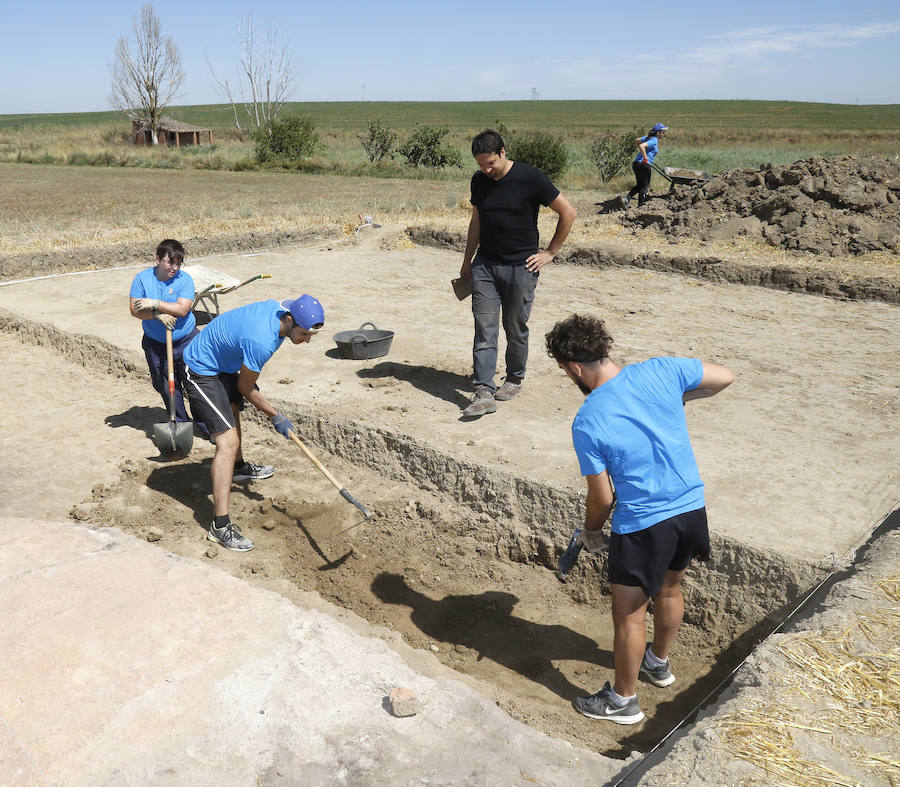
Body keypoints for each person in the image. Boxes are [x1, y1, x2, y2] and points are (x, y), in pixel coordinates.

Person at [545, 313, 734, 725]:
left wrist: (592, 531)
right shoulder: (662, 370)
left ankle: (622, 701)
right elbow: (725, 377)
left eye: (565, 372)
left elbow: (602, 496)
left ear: (574, 367)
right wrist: (679, 398)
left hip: (645, 523)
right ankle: (658, 664)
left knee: (629, 615)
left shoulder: (588, 419)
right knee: (670, 589)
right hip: (690, 509)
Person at [183, 294, 325, 552]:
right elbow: (246, 387)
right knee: (227, 441)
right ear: (290, 320)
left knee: (233, 407)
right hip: (200, 368)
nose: (306, 341)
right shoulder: (262, 340)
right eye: (304, 334)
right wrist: (276, 416)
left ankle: (238, 467)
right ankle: (220, 526)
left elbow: (242, 388)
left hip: (223, 362)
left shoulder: (281, 311)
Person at [459, 129, 577, 418]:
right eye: (480, 165)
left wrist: (550, 253)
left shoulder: (531, 178)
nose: (486, 170)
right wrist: (467, 263)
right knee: (484, 328)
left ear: (502, 152)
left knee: (515, 327)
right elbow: (476, 221)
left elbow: (568, 212)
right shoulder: (479, 181)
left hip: (520, 268)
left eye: (490, 164)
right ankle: (484, 389)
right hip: (485, 265)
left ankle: (514, 378)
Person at [129, 239, 199, 429]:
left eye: (178, 263)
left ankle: (208, 427)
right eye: (170, 262)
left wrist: (155, 303)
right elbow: (135, 310)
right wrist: (157, 315)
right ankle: (182, 423)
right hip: (155, 343)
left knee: (196, 386)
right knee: (167, 386)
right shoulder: (142, 279)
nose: (175, 268)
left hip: (187, 340)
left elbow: (182, 309)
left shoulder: (184, 280)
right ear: (158, 259)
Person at [624, 122, 668, 208]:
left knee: (640, 185)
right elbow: (641, 146)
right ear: (658, 133)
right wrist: (645, 158)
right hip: (644, 165)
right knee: (645, 187)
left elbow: (636, 141)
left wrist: (643, 154)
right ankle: (640, 206)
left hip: (636, 164)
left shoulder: (648, 138)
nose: (664, 134)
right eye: (663, 132)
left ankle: (626, 199)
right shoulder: (654, 140)